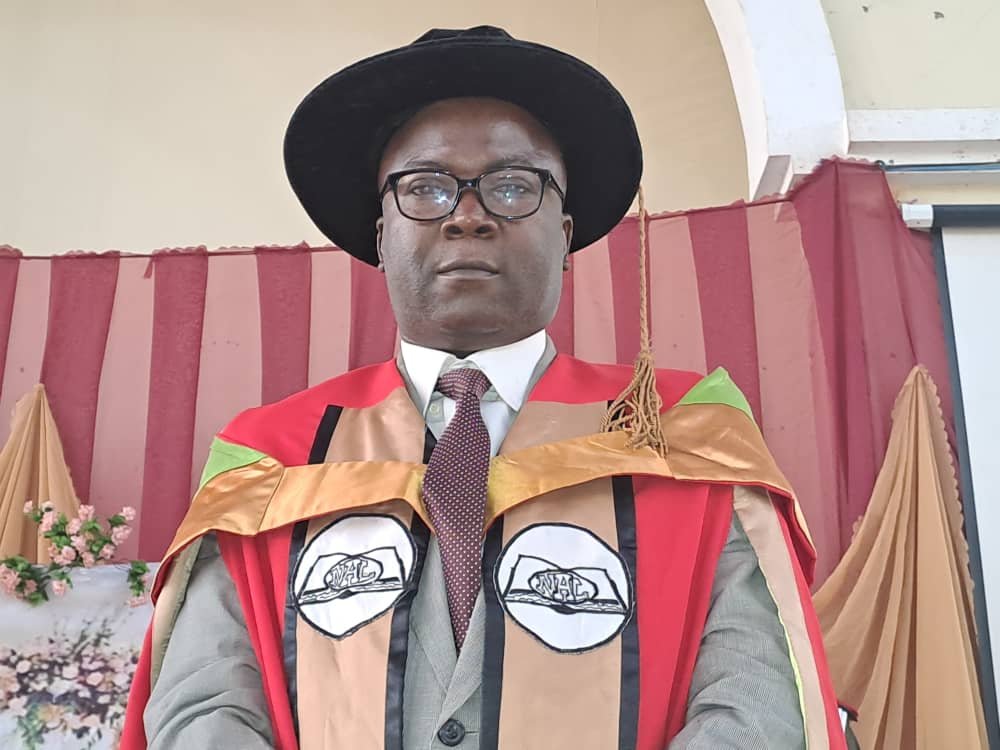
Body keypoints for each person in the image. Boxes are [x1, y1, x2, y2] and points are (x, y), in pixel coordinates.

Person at [121, 26, 847, 750]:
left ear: (566, 235)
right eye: (425, 188)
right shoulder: (272, 458)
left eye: (512, 186)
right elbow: (204, 708)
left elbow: (755, 701)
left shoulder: (680, 433)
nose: (468, 216)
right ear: (382, 236)